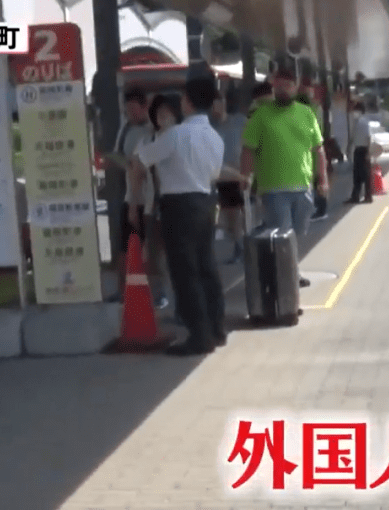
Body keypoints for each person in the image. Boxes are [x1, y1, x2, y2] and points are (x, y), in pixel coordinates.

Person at [129, 72, 227, 356]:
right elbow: (215, 174)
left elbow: (141, 161)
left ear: (187, 102)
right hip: (205, 201)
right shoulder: (215, 138)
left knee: (186, 273)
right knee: (207, 268)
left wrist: (135, 198)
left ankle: (199, 336)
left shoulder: (175, 135)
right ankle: (217, 329)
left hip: (178, 206)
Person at [239, 67, 328, 288]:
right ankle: (287, 279)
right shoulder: (261, 116)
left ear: (294, 87)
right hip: (273, 189)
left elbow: (318, 149)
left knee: (297, 234)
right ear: (273, 88)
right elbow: (248, 149)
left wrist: (323, 179)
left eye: (287, 85)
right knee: (282, 234)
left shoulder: (306, 114)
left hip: (303, 187)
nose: (283, 89)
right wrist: (245, 176)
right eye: (278, 86)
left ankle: (289, 271)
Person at [111, 88, 155, 300]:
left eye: (133, 109)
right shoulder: (126, 129)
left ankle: (151, 291)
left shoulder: (154, 130)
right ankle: (122, 290)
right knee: (124, 247)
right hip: (130, 197)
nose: (130, 114)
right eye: (126, 110)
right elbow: (118, 156)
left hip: (149, 200)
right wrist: (124, 163)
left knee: (149, 248)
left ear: (144, 107)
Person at [143, 94, 184, 309]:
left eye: (167, 113)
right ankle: (160, 294)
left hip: (178, 206)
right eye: (159, 114)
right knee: (155, 255)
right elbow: (137, 167)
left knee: (176, 257)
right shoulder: (150, 140)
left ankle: (179, 302)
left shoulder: (183, 138)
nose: (163, 117)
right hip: (154, 205)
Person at [213, 91, 249, 263]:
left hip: (241, 173)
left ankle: (245, 248)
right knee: (231, 217)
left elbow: (251, 142)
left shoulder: (239, 121)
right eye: (214, 104)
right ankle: (239, 247)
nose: (218, 106)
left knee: (243, 215)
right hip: (223, 177)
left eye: (220, 102)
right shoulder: (212, 127)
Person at [295, 83, 329, 222]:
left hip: (312, 150)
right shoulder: (315, 108)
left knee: (317, 181)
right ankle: (319, 208)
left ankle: (320, 209)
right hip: (314, 149)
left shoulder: (310, 110)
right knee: (317, 180)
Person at [345, 102, 374, 204]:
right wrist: (349, 148)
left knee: (365, 175)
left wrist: (368, 153)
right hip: (358, 150)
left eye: (355, 110)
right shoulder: (356, 122)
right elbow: (353, 137)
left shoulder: (364, 122)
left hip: (363, 150)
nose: (353, 113)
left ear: (360, 111)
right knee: (357, 175)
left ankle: (368, 196)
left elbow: (369, 137)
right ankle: (356, 196)